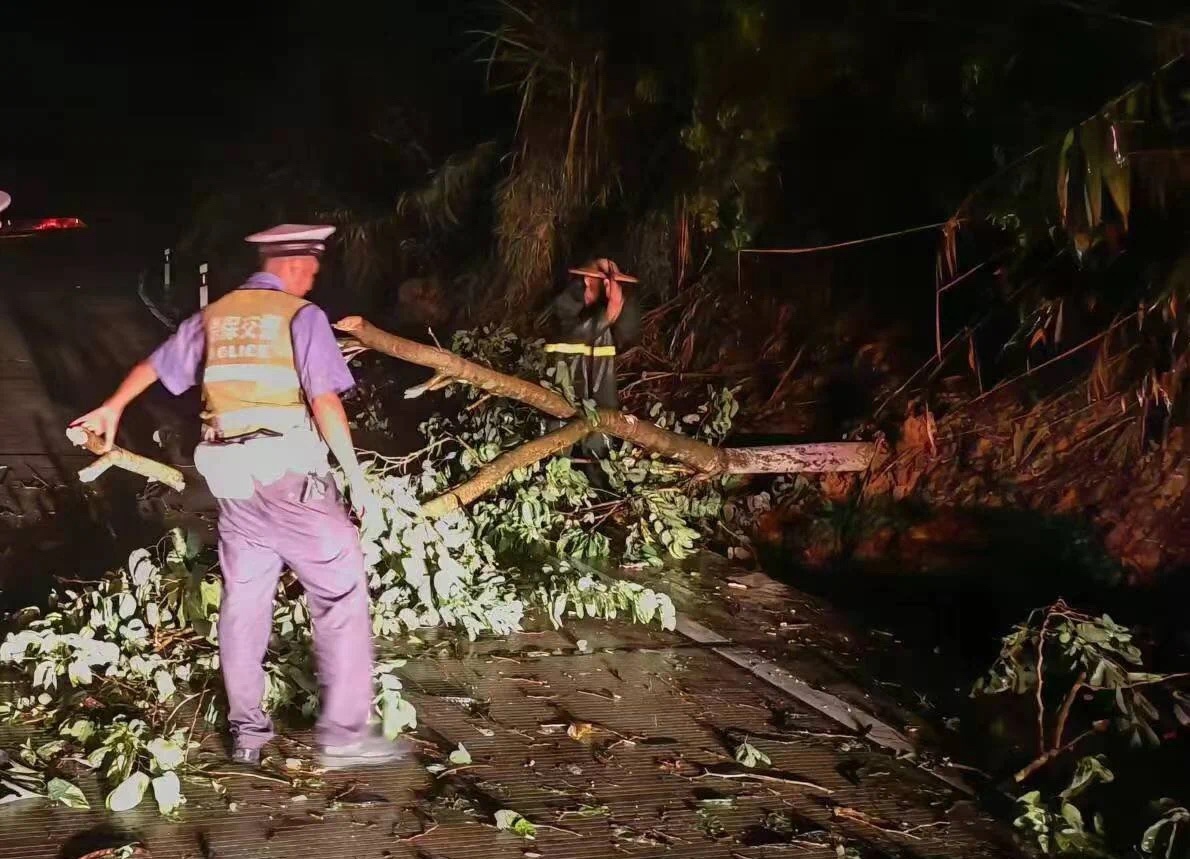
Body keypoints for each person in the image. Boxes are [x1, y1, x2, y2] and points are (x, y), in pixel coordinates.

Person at [70, 224, 404, 769]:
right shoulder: (302, 317)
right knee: (340, 593)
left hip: (230, 478)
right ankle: (345, 733)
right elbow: (324, 403)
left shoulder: (217, 314)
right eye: (312, 271)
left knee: (244, 604)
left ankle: (248, 734)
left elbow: (155, 366)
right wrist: (357, 478)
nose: (312, 281)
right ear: (292, 266)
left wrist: (112, 407)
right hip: (286, 474)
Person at [543, 257, 641, 483]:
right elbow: (574, 333)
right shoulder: (562, 304)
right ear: (588, 281)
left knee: (600, 453)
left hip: (599, 398)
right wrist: (608, 313)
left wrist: (621, 298)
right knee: (557, 448)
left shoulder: (601, 311)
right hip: (564, 393)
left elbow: (629, 333)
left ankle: (600, 490)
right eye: (602, 282)